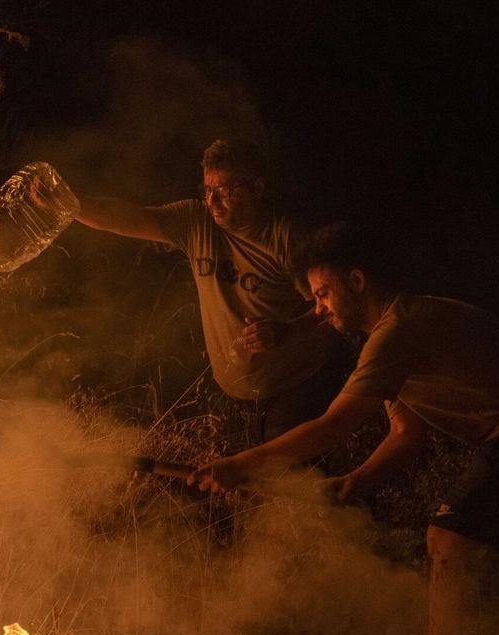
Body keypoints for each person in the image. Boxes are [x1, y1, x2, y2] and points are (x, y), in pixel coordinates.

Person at [190, 222, 499, 635]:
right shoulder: (389, 338)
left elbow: (335, 424)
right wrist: (356, 481)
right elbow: (408, 433)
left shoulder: (400, 329)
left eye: (324, 293)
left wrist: (241, 464)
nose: (319, 308)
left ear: (357, 281)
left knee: (447, 537)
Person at [71, 139, 353, 449]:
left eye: (225, 191)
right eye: (207, 190)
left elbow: (338, 308)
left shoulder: (286, 240)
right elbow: (127, 218)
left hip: (295, 387)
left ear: (257, 188)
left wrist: (288, 329)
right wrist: (67, 203)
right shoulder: (196, 223)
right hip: (235, 394)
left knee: (292, 483)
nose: (212, 201)